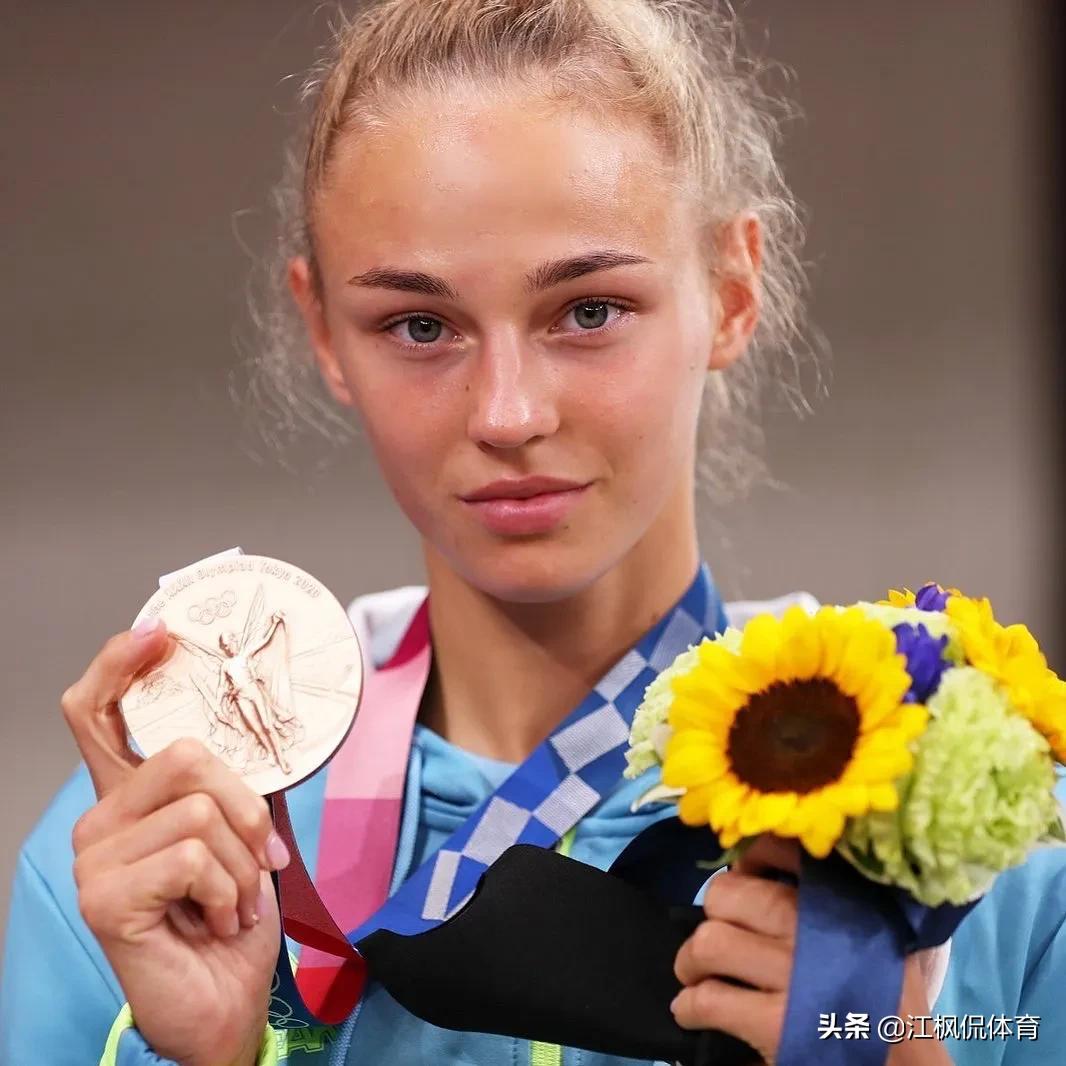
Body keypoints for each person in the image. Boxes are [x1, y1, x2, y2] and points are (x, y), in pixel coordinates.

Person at [2, 1, 1064, 1064]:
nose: (506, 412)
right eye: (420, 326)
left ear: (733, 291)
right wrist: (208, 1056)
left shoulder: (989, 836)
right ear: (324, 329)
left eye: (589, 310)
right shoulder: (158, 859)